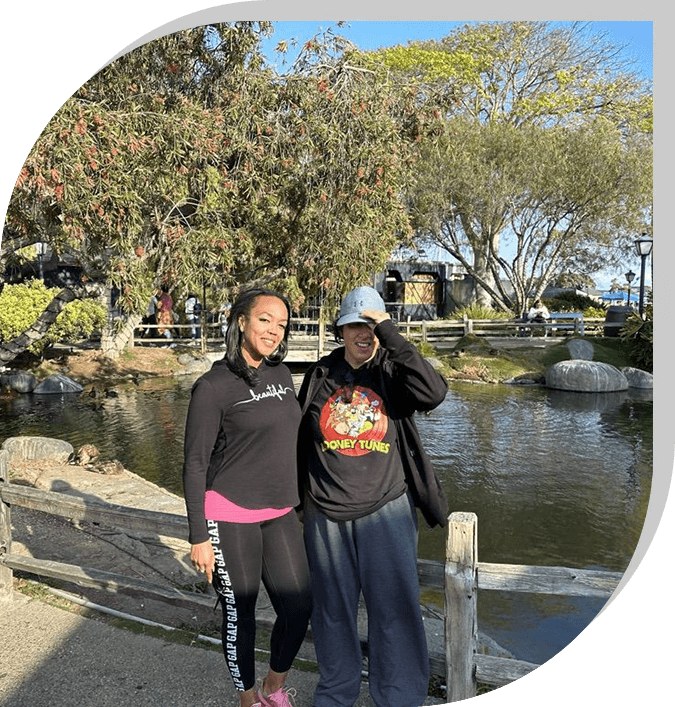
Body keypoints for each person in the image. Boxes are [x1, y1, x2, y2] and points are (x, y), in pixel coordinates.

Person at [297, 285, 448, 707]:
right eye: (356, 325)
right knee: (332, 612)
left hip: (386, 509)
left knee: (394, 609)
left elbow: (434, 393)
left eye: (373, 326)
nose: (365, 334)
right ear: (341, 330)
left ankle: (398, 695)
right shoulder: (320, 375)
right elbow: (297, 436)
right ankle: (336, 690)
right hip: (325, 513)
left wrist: (391, 333)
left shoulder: (392, 372)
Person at [183, 288, 312, 707]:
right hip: (229, 512)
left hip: (279, 510)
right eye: (264, 320)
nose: (274, 330)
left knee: (298, 607)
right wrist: (198, 535)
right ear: (241, 321)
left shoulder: (280, 374)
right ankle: (248, 699)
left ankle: (274, 686)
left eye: (281, 324)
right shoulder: (213, 386)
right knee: (241, 614)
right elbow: (195, 464)